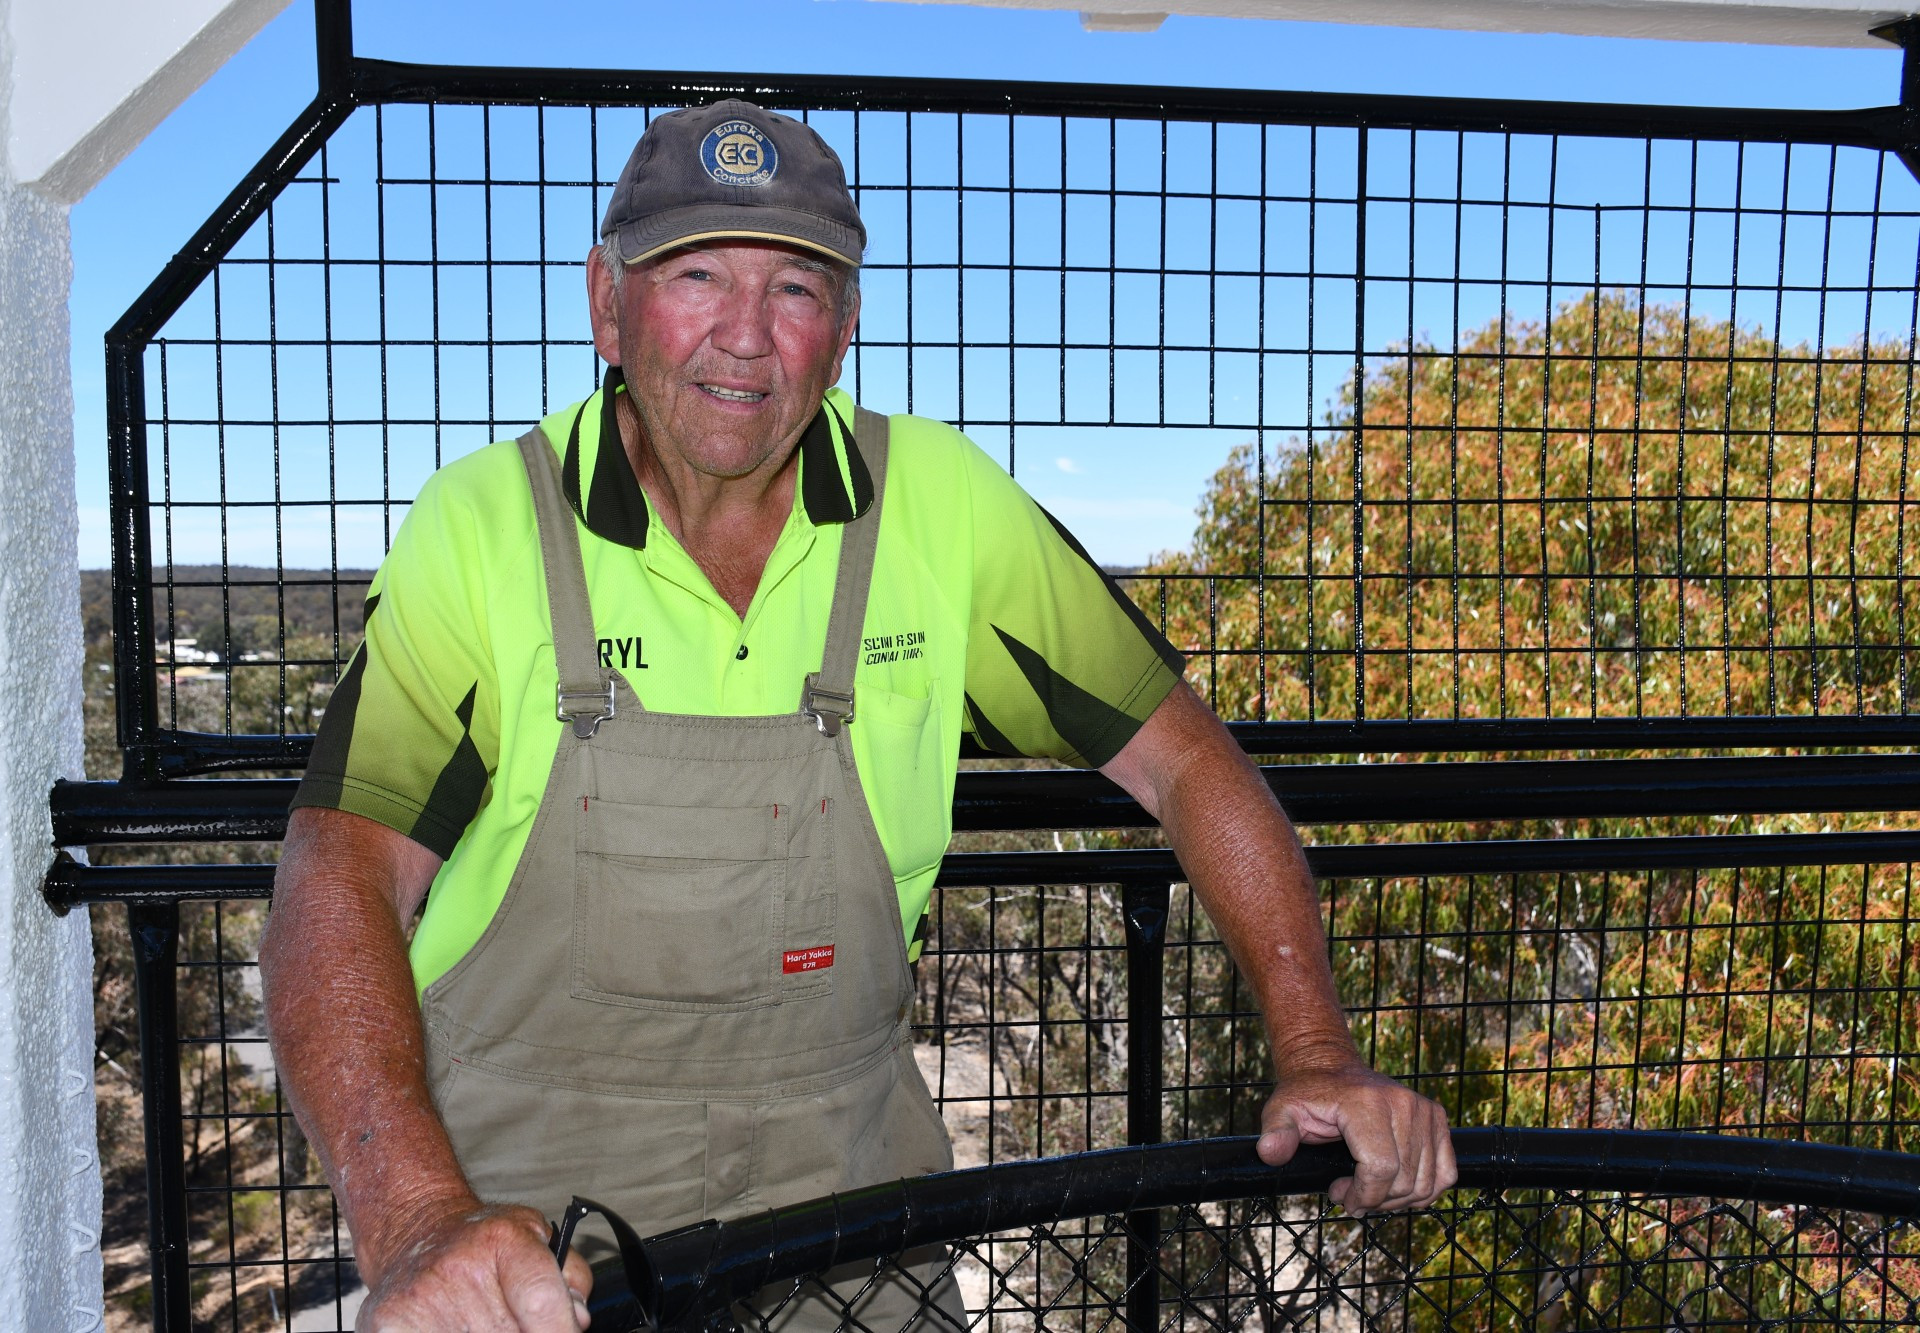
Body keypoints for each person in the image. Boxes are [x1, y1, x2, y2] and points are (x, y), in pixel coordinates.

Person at [260, 99, 1455, 1333]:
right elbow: (339, 865)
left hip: (851, 1208)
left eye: (794, 289)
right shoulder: (483, 527)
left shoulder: (939, 511)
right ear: (606, 306)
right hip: (525, 1234)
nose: (743, 336)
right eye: (697, 275)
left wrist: (1316, 1052)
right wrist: (412, 1221)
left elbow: (1189, 762)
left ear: (843, 333)